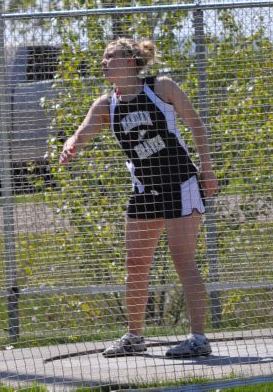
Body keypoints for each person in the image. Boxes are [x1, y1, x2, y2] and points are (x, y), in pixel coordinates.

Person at [59, 37, 218, 358]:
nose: (104, 62)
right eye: (103, 57)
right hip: (144, 191)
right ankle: (134, 336)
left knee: (183, 260)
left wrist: (208, 169)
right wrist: (72, 143)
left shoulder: (161, 87)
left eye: (110, 56)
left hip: (180, 184)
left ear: (131, 60)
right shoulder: (106, 104)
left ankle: (199, 338)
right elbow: (84, 129)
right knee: (135, 264)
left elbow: (196, 124)